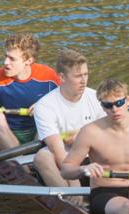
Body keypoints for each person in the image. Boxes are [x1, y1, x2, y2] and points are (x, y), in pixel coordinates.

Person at [61, 79, 129, 214]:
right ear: (102, 106)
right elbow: (66, 170)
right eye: (108, 105)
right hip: (106, 191)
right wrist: (83, 169)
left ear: (128, 100)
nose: (114, 109)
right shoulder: (90, 132)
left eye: (119, 103)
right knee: (128, 208)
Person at [31, 49, 104, 188]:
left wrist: (82, 139)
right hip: (64, 162)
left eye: (86, 74)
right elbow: (57, 151)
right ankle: (71, 197)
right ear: (62, 77)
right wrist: (75, 185)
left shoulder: (97, 98)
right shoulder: (45, 106)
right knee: (42, 157)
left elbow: (110, 136)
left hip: (94, 158)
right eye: (78, 76)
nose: (84, 81)